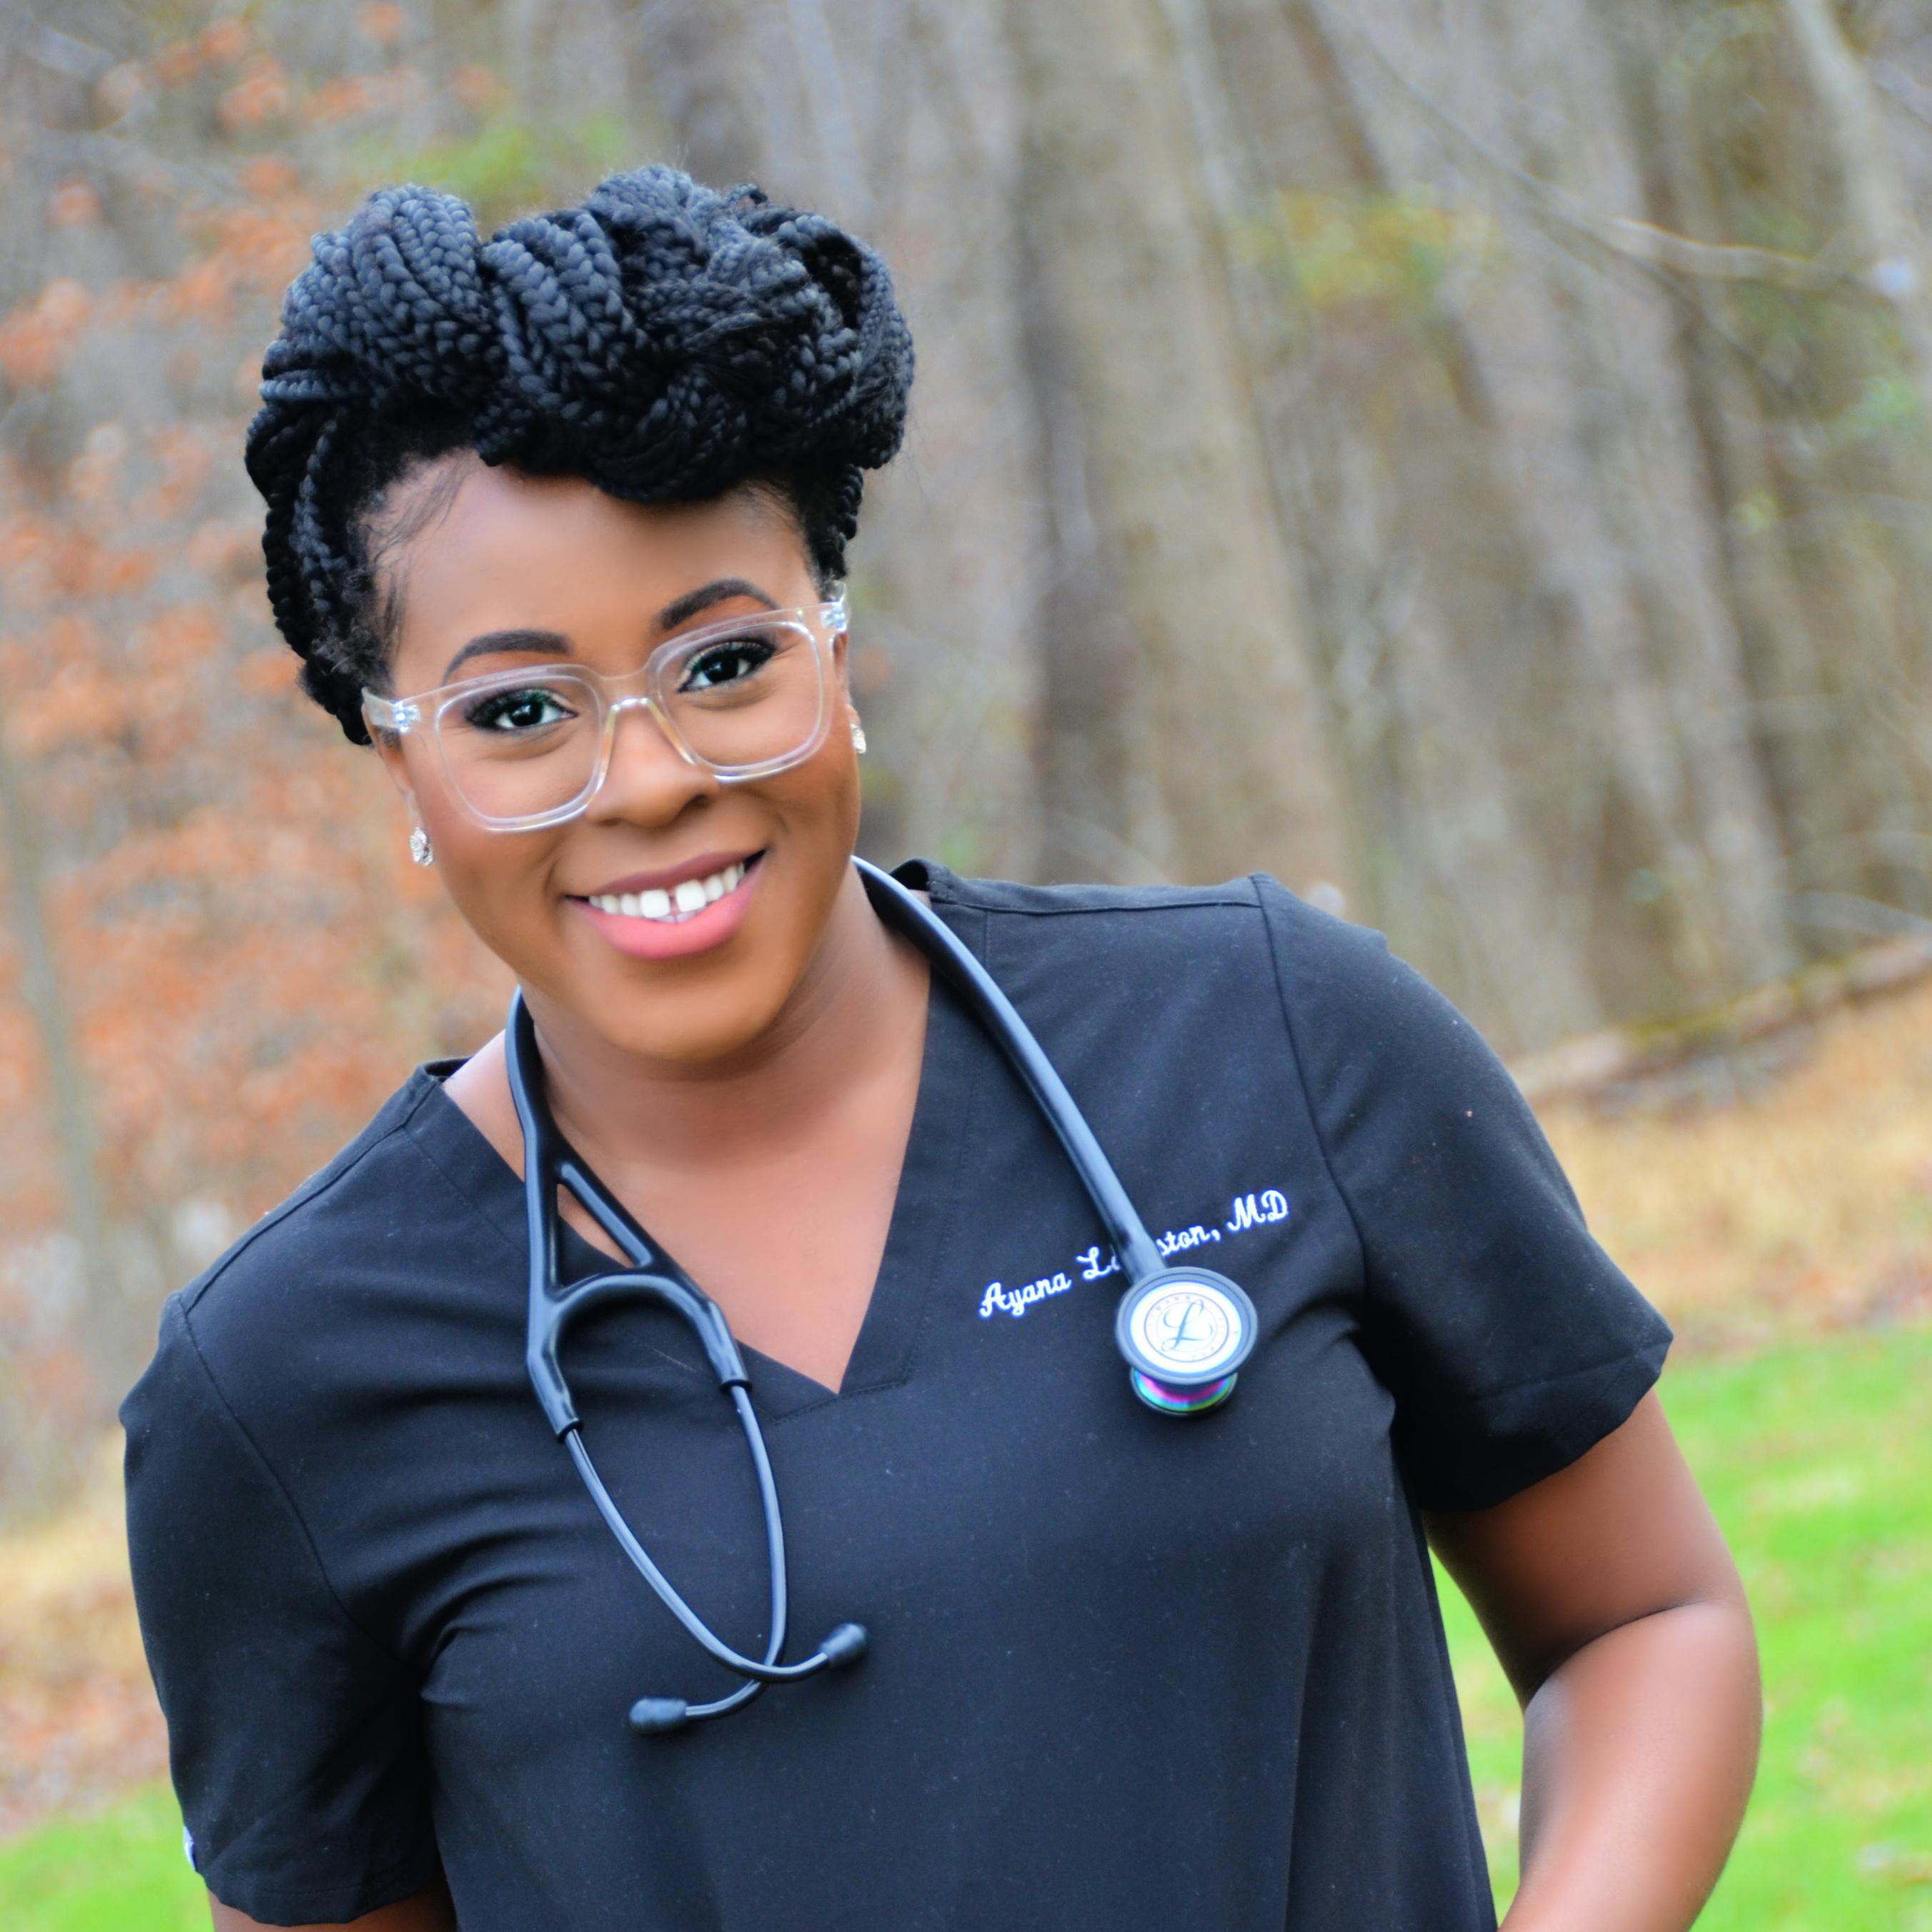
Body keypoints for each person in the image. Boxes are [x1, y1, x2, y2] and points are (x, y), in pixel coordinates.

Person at [121, 166, 1760, 1932]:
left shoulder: (1275, 1039)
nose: (656, 777)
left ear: (837, 650)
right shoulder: (284, 1386)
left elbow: (1642, 1619)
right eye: (519, 712)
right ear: (406, 780)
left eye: (726, 660)